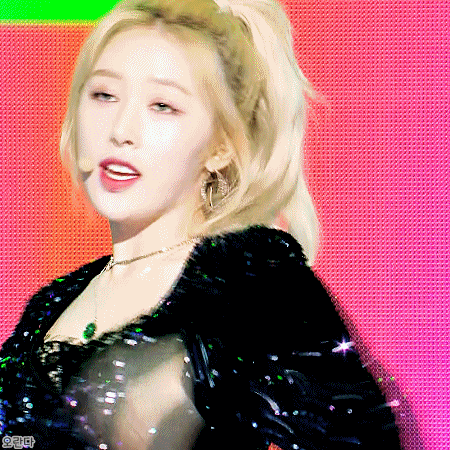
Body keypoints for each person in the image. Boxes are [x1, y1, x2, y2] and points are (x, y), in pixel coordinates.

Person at [0, 0, 403, 448]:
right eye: (104, 95)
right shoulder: (51, 303)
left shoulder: (250, 280)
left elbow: (370, 438)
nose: (120, 129)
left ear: (221, 147)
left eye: (162, 105)